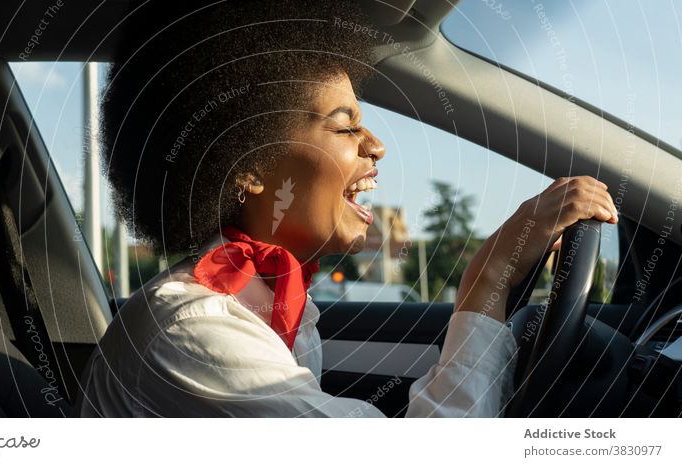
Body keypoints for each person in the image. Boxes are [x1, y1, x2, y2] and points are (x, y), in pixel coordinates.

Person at [74, 0, 618, 417]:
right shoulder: (196, 335)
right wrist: (488, 278)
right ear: (249, 166)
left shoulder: (267, 301)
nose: (376, 145)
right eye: (344, 125)